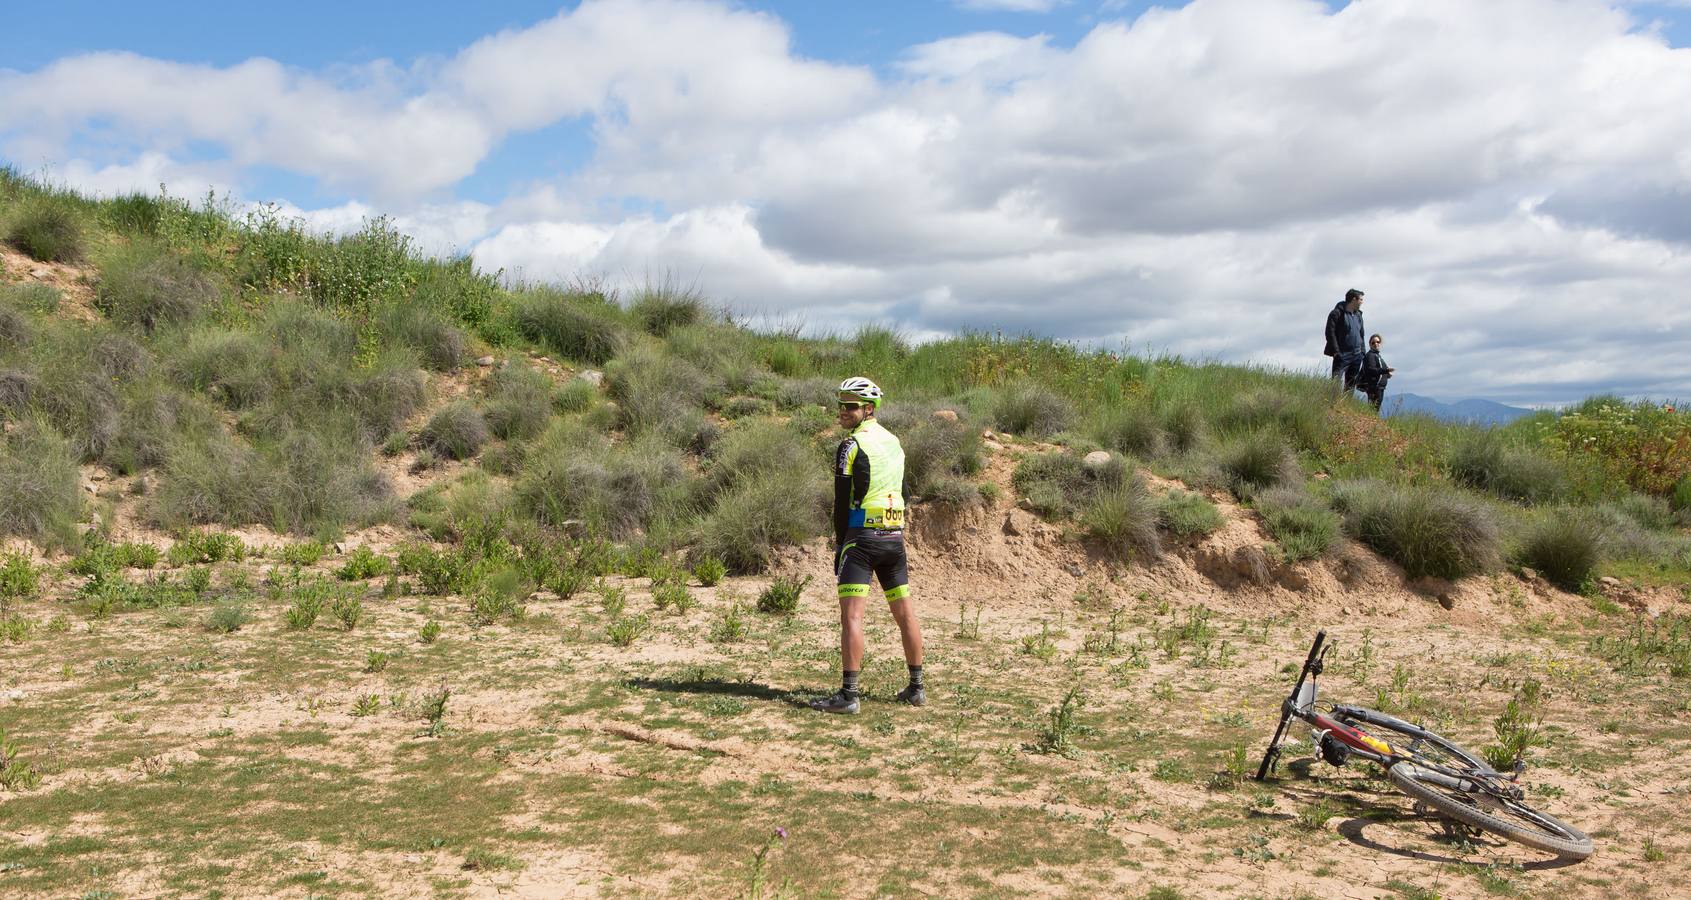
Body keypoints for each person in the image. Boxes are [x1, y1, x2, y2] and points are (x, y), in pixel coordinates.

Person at [809, 376, 925, 715]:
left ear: (869, 409)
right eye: (841, 404)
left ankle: (849, 695)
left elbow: (841, 501)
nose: (843, 411)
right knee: (905, 614)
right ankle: (917, 688)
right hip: (893, 537)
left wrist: (840, 545)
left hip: (861, 538)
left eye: (851, 406)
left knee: (852, 617)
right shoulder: (895, 442)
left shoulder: (850, 445)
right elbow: (904, 493)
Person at [1323, 288, 1367, 395]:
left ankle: (1346, 405)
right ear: (1353, 299)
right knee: (1336, 381)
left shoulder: (1358, 315)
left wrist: (1363, 352)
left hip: (1357, 354)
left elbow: (1361, 334)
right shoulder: (1337, 313)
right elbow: (1330, 332)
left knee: (1351, 383)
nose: (1362, 302)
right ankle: (1332, 403)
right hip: (1342, 353)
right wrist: (1336, 351)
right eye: (1360, 299)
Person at [1358, 333, 1395, 413]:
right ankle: (1370, 424)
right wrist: (1386, 370)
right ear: (1370, 344)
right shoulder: (1370, 356)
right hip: (1374, 387)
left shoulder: (1377, 356)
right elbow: (1371, 370)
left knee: (1374, 410)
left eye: (1378, 342)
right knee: (1373, 410)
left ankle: (1372, 423)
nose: (1376, 344)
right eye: (1373, 343)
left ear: (1380, 343)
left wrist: (1387, 375)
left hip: (1379, 387)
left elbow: (1378, 371)